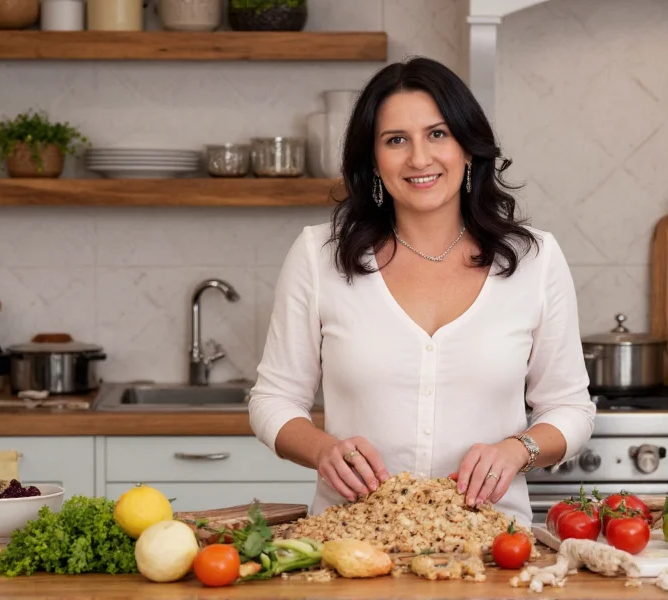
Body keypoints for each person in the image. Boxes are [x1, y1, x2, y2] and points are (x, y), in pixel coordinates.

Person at [247, 56, 595, 528]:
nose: (419, 158)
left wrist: (519, 449)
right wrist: (323, 450)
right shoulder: (318, 255)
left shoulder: (535, 259)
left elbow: (570, 408)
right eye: (396, 140)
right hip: (351, 542)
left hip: (493, 544)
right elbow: (272, 399)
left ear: (467, 148)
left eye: (437, 134)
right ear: (373, 160)